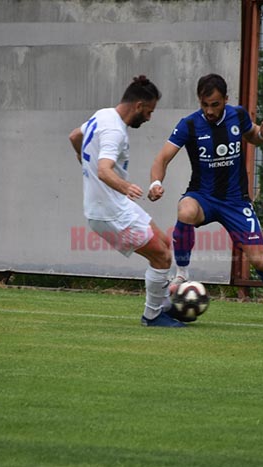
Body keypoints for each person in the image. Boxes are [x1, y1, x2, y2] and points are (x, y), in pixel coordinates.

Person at [148, 73, 263, 323]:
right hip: (202, 197)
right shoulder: (189, 124)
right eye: (204, 104)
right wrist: (156, 183)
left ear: (226, 99)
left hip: (236, 202)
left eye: (215, 104)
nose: (209, 111)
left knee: (260, 260)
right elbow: (162, 159)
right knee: (185, 210)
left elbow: (253, 136)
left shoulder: (238, 115)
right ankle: (182, 274)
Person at [69, 75, 185, 327]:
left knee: (165, 243)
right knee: (162, 257)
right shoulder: (114, 130)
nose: (149, 118)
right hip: (109, 212)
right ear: (139, 106)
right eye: (149, 112)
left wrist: (81, 157)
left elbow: (74, 135)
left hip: (114, 206)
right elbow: (104, 170)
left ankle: (165, 306)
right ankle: (153, 316)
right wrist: (126, 186)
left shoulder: (103, 115)